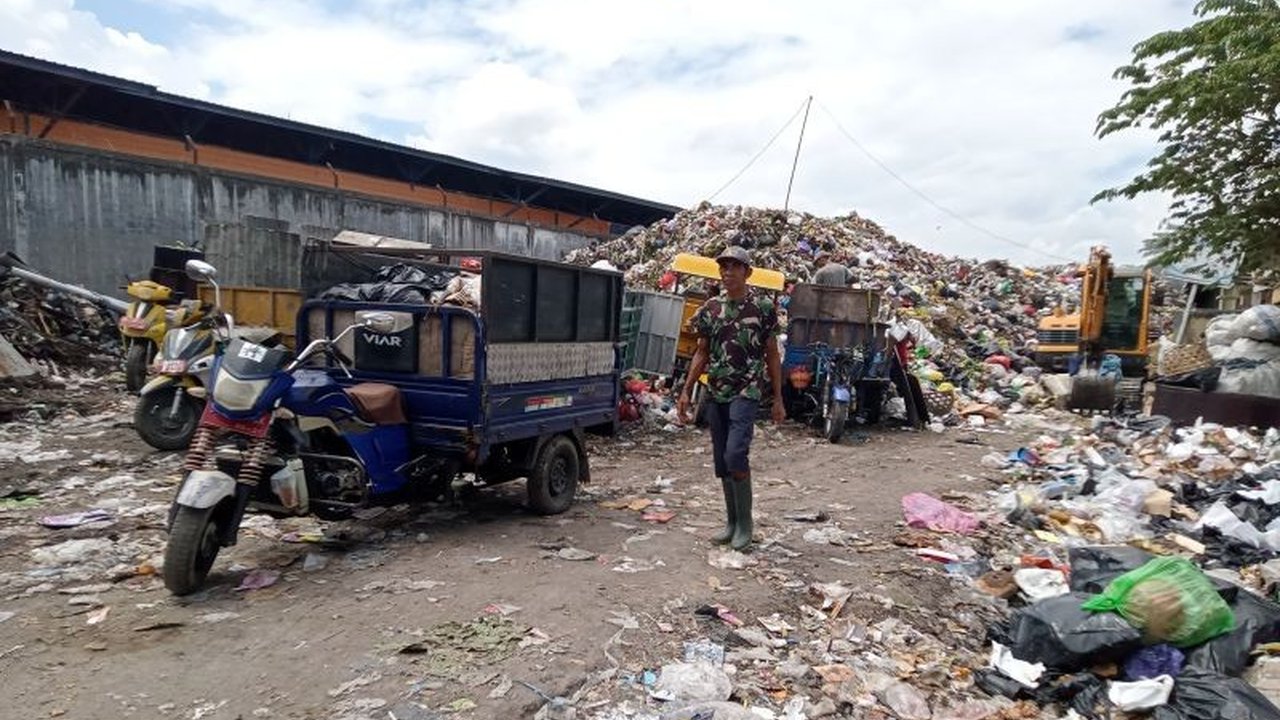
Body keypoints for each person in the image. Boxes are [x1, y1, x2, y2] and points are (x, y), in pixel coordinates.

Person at [676, 246, 784, 551]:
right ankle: (732, 522)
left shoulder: (762, 308)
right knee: (722, 461)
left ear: (747, 272)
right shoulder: (711, 308)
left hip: (747, 390)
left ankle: (745, 525)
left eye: (735, 267)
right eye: (723, 267)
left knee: (736, 454)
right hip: (717, 390)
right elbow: (701, 352)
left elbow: (772, 355)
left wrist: (778, 398)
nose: (727, 272)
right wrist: (686, 390)